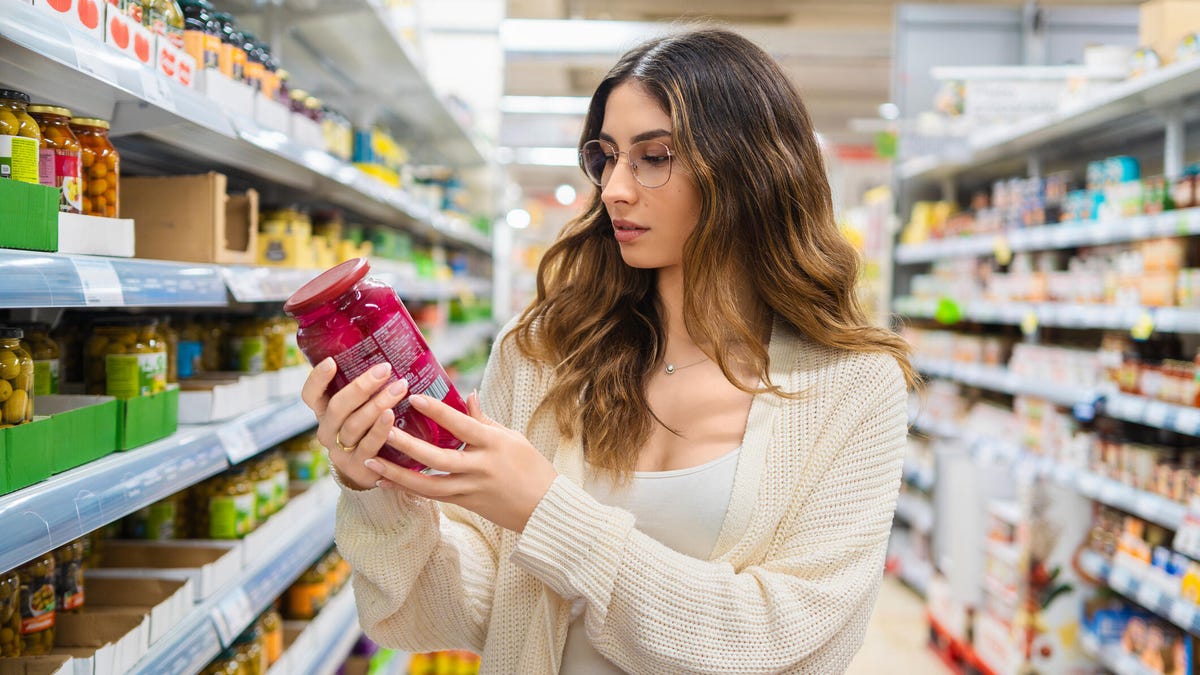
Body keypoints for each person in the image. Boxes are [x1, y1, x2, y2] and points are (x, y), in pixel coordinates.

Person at [301, 26, 918, 674]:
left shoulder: (853, 386)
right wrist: (375, 487)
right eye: (607, 157)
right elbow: (455, 613)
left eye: (654, 157)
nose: (614, 189)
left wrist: (548, 511)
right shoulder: (543, 353)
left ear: (748, 169)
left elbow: (784, 640)